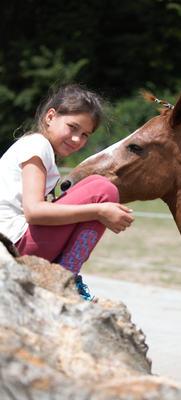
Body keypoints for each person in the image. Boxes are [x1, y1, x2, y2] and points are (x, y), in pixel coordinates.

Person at [0, 83, 134, 300]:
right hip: (13, 243)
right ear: (50, 117)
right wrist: (97, 211)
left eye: (85, 135)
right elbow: (33, 211)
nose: (77, 139)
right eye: (72, 127)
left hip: (16, 241)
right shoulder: (37, 144)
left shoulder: (39, 148)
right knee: (103, 189)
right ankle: (67, 275)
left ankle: (67, 272)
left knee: (96, 186)